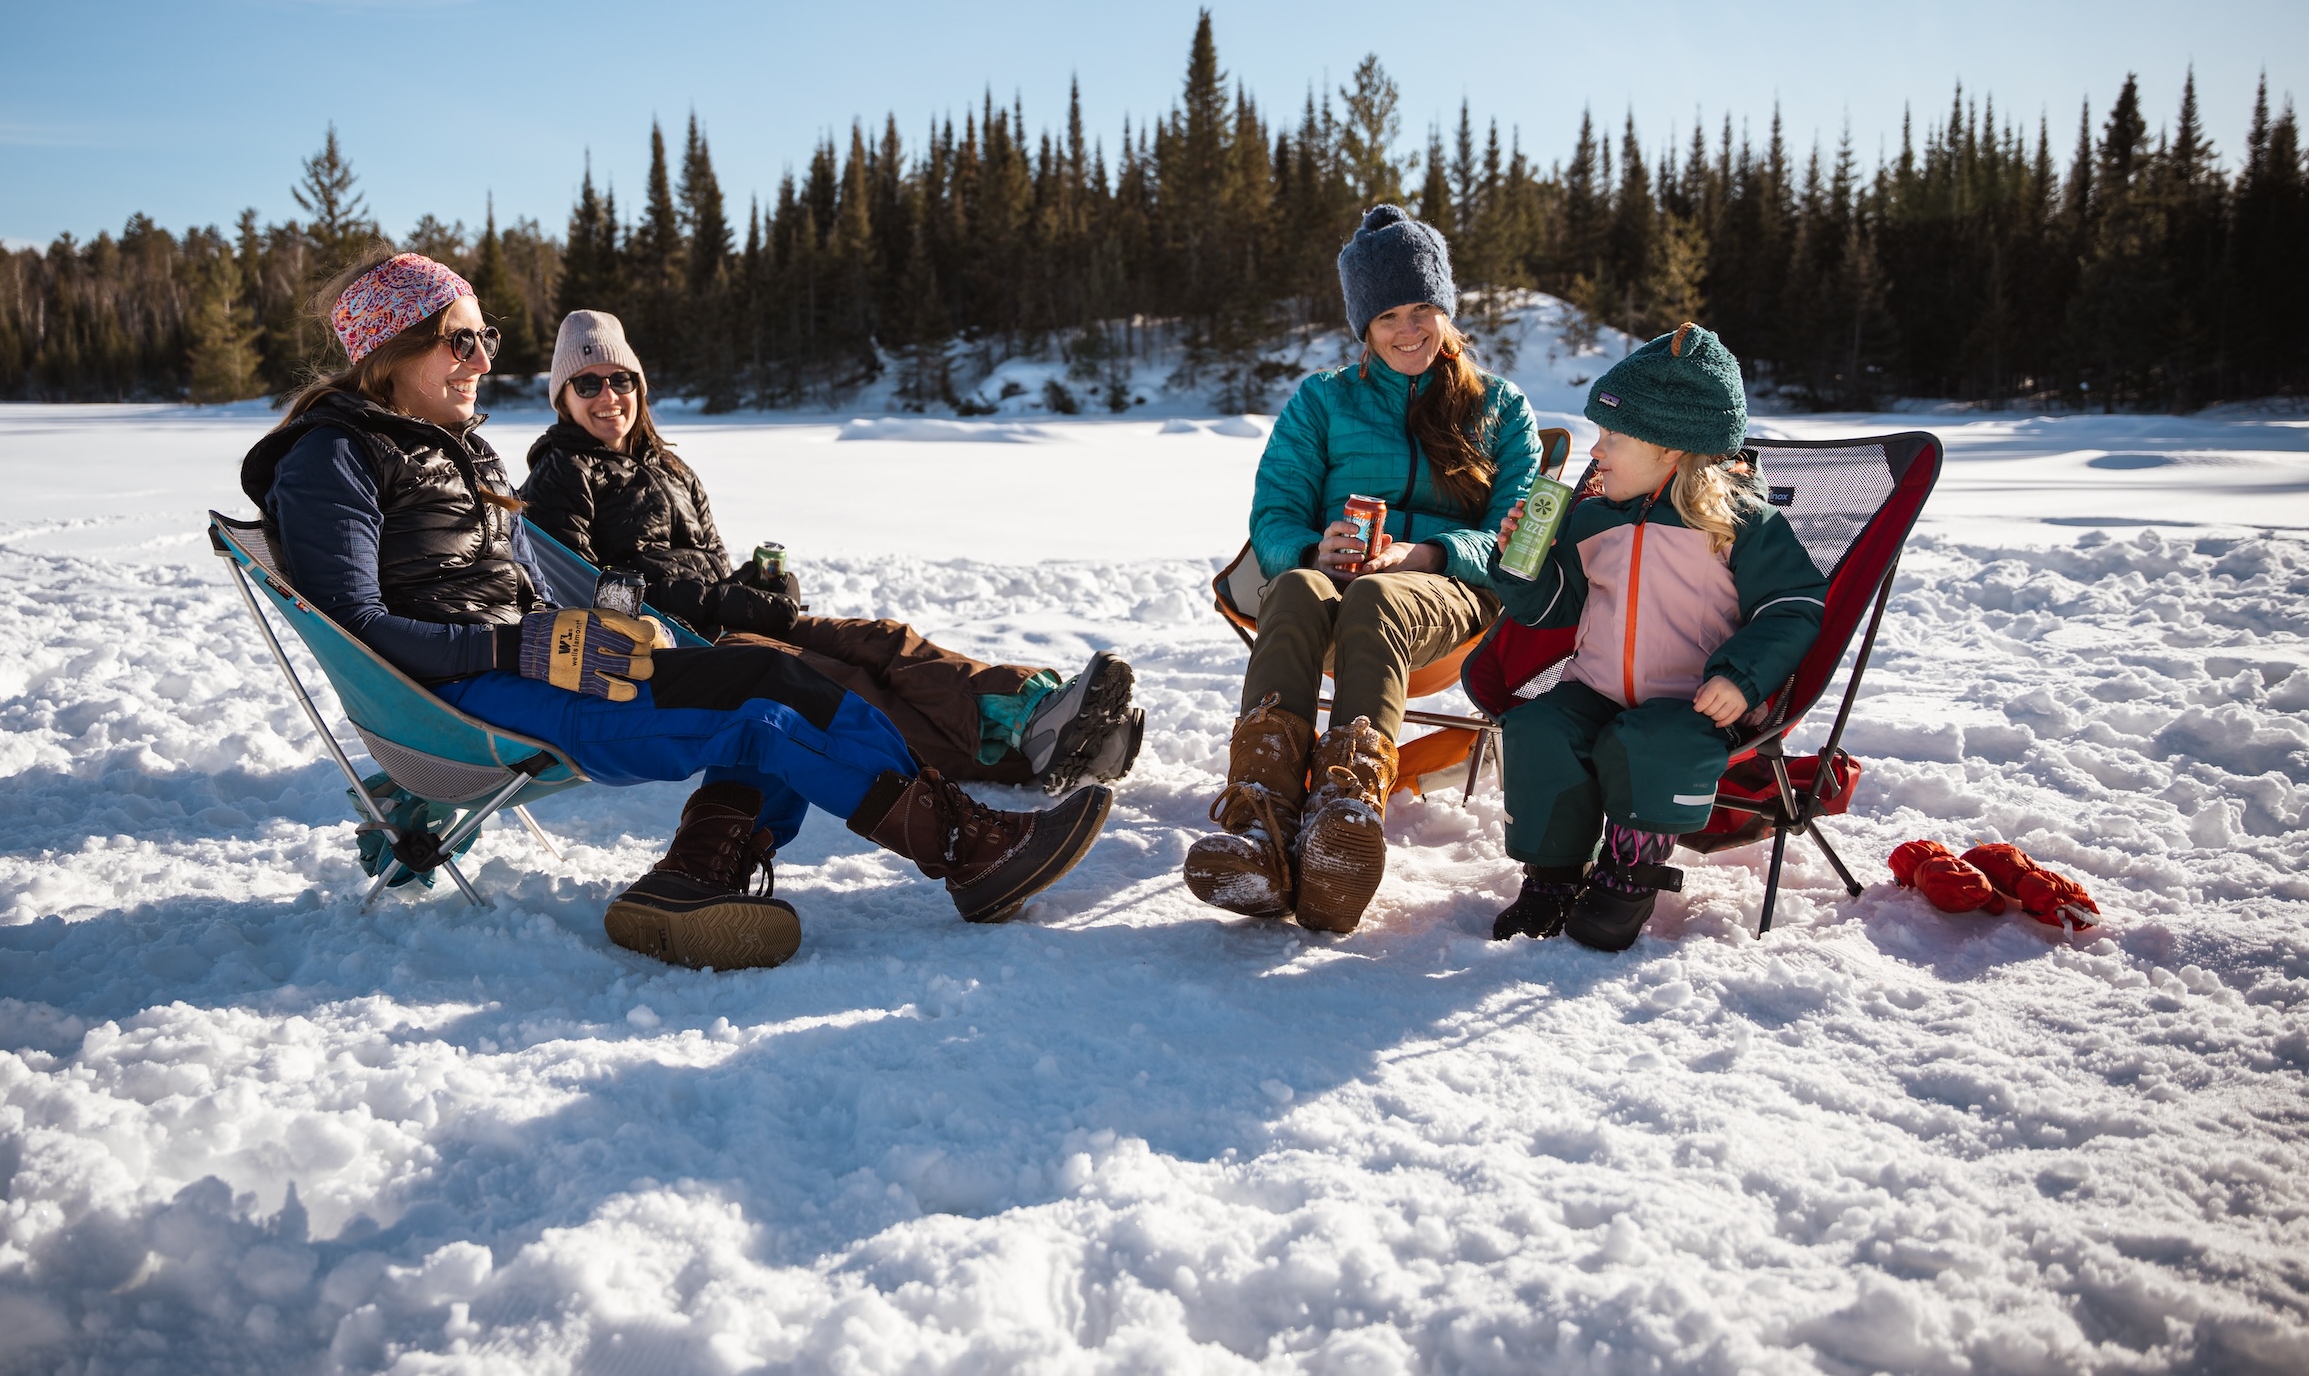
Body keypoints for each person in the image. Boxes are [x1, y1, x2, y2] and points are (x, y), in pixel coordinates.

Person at [241, 253, 1113, 972]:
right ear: (390, 349)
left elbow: (491, 588)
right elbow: (359, 629)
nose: (480, 360)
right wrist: (522, 647)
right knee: (761, 714)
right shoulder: (332, 458)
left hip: (526, 665)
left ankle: (701, 873)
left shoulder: (448, 449)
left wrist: (577, 627)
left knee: (780, 672)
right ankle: (964, 847)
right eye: (458, 341)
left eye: (484, 339)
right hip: (469, 702)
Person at [519, 309, 1143, 792]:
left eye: (621, 379)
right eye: (589, 382)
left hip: (716, 621)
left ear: (640, 385)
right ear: (564, 396)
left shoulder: (671, 467)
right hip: (666, 650)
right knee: (839, 683)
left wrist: (758, 590)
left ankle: (1036, 712)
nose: (609, 396)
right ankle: (1023, 761)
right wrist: (724, 602)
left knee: (882, 640)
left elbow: (708, 563)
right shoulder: (560, 472)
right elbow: (585, 589)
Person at [1184, 205, 1541, 934]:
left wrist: (1424, 553)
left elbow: (1522, 548)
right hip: (1330, 593)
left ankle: (1345, 818)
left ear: (1445, 308)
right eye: (1388, 318)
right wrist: (1317, 550)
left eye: (1422, 310)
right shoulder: (1321, 401)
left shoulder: (1501, 410)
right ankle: (1262, 820)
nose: (1409, 331)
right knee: (1292, 585)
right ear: (1362, 327)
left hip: (1448, 602)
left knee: (1377, 594)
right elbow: (1273, 521)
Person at [1483, 323, 1826, 952]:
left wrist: (1742, 676)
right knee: (1540, 730)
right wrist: (1517, 565)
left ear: (1672, 447)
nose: (1597, 452)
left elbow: (1793, 606)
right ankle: (1552, 876)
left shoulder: (1741, 523)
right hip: (1596, 687)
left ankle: (1629, 873)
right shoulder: (1591, 517)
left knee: (1653, 742)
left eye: (1613, 436)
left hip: (1692, 701)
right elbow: (1556, 609)